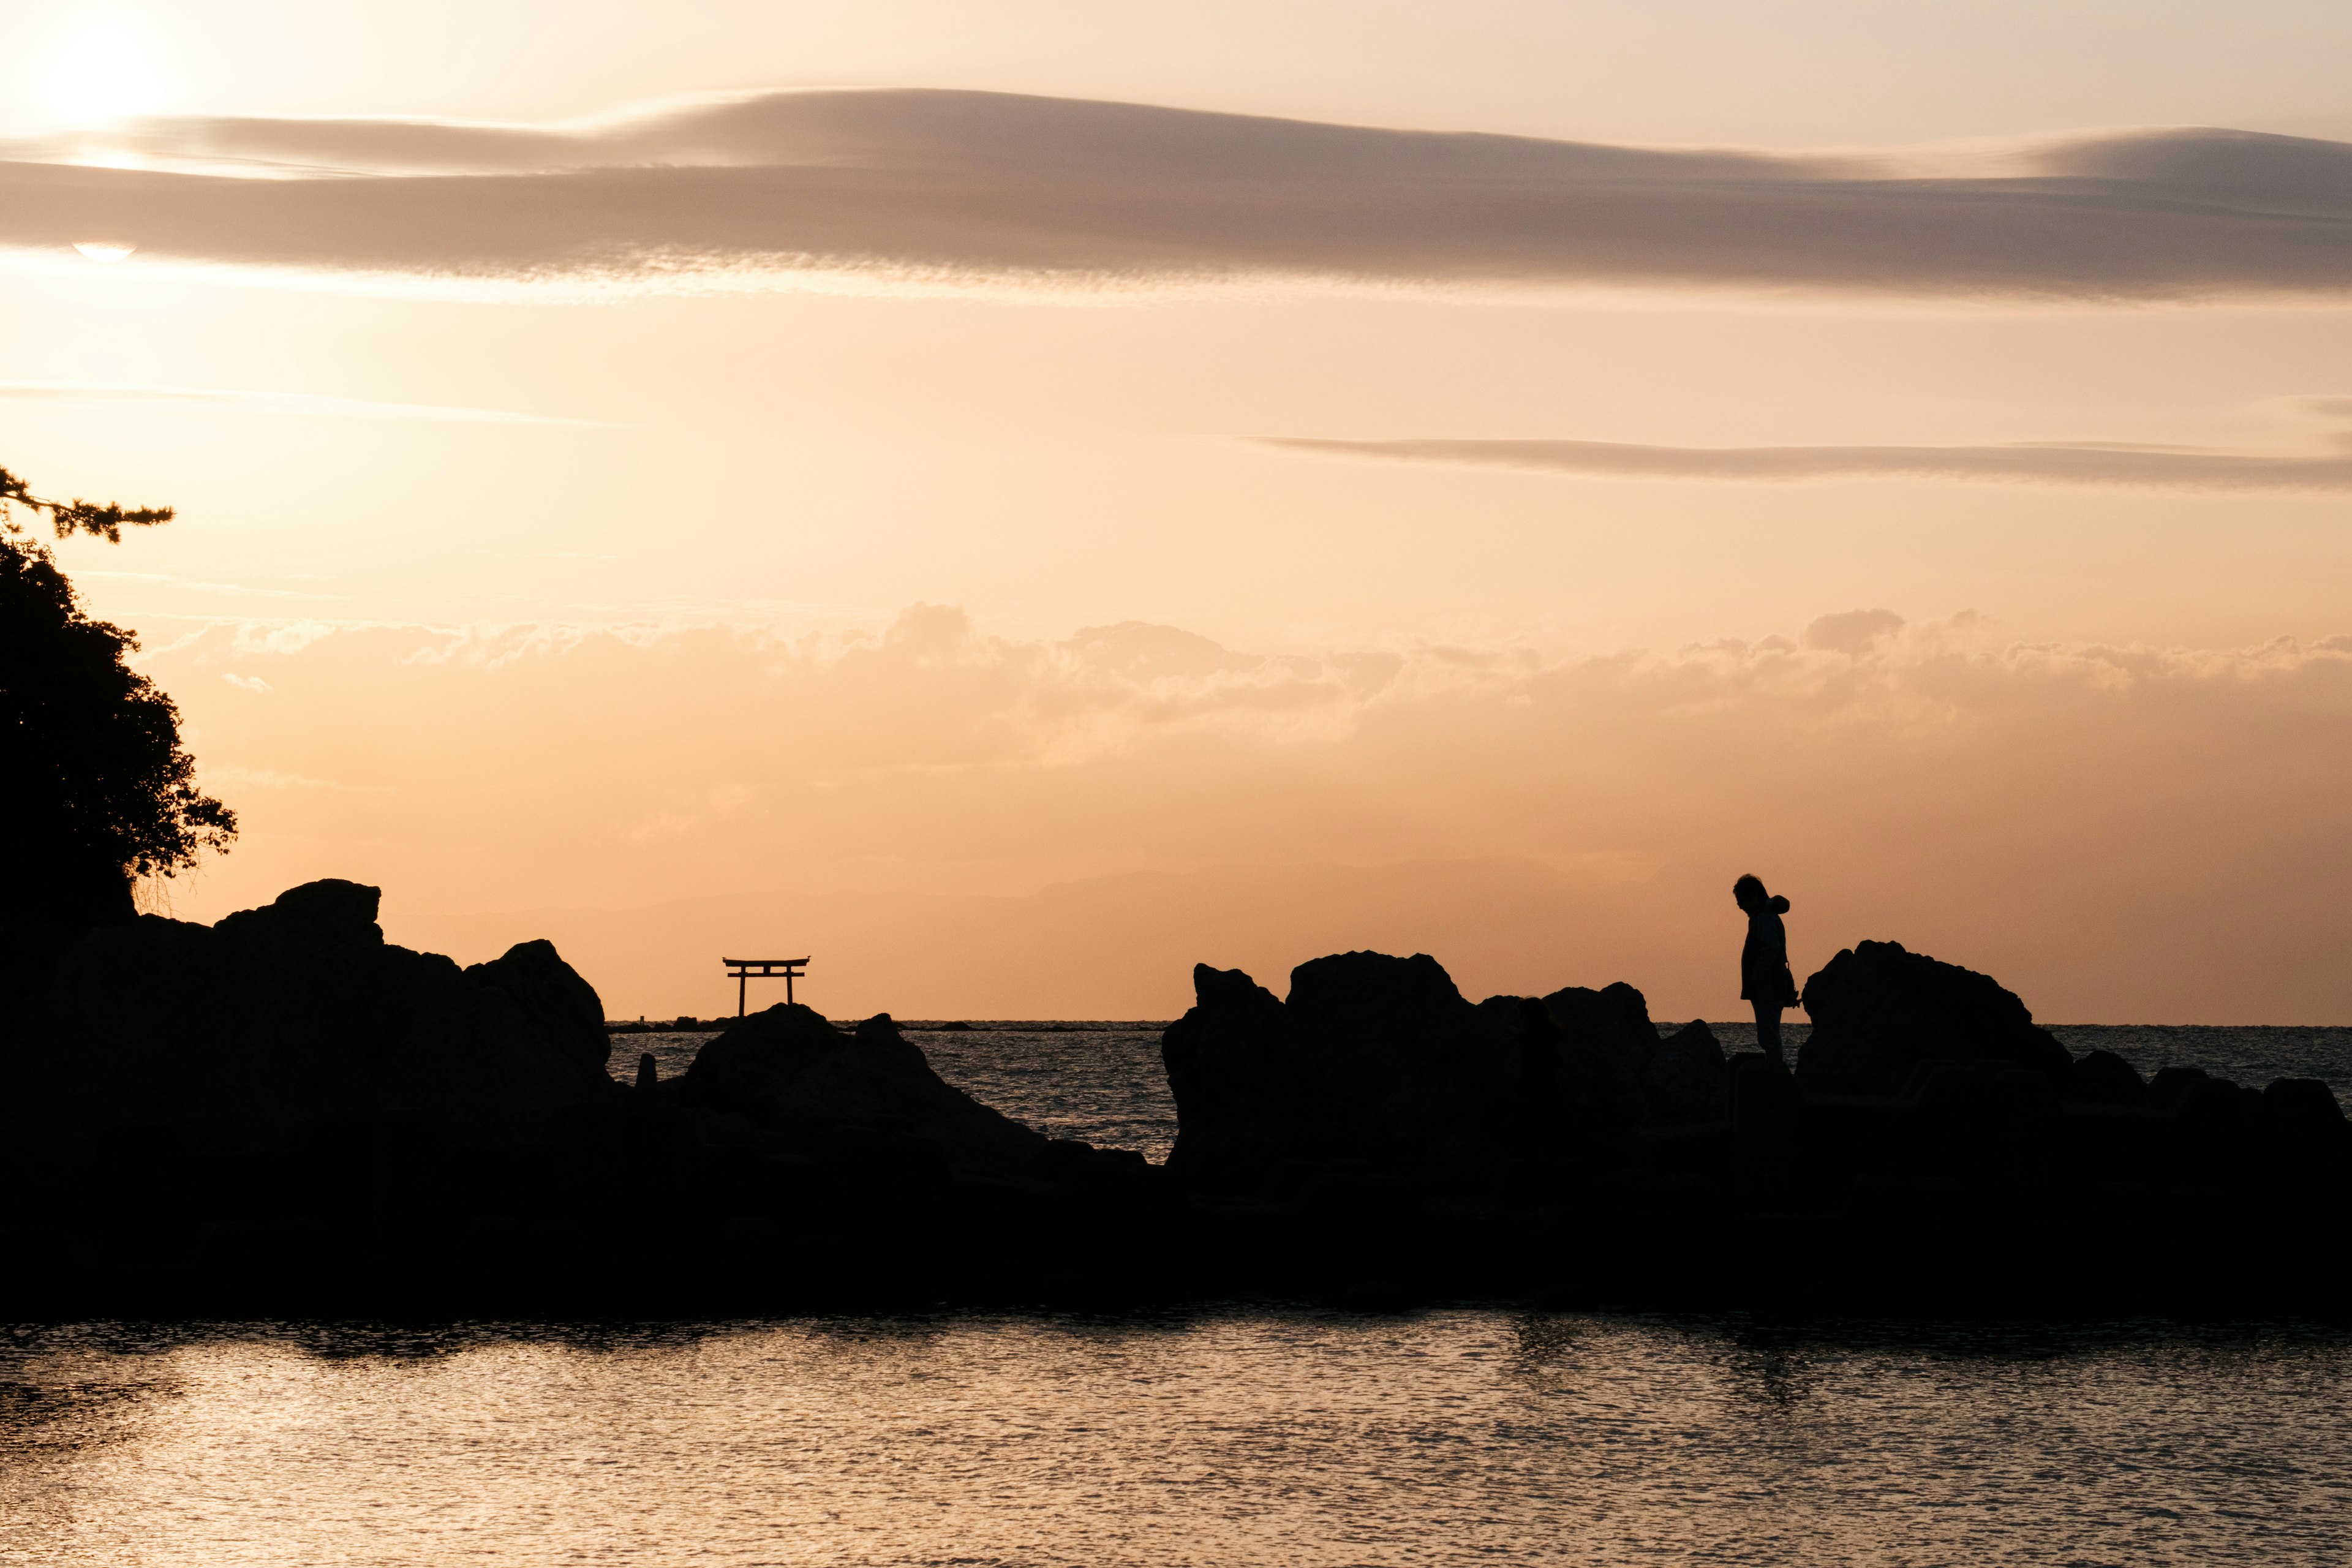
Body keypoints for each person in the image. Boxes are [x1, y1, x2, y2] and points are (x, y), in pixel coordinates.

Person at [1734, 873, 1798, 1065]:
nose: (1740, 906)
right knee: (1769, 1036)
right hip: (1769, 987)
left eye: (1741, 901)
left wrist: (1757, 975)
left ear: (1753, 897)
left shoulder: (1763, 920)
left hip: (1767, 989)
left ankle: (1775, 1078)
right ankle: (1775, 1075)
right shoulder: (1766, 917)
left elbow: (1771, 948)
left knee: (1769, 1037)